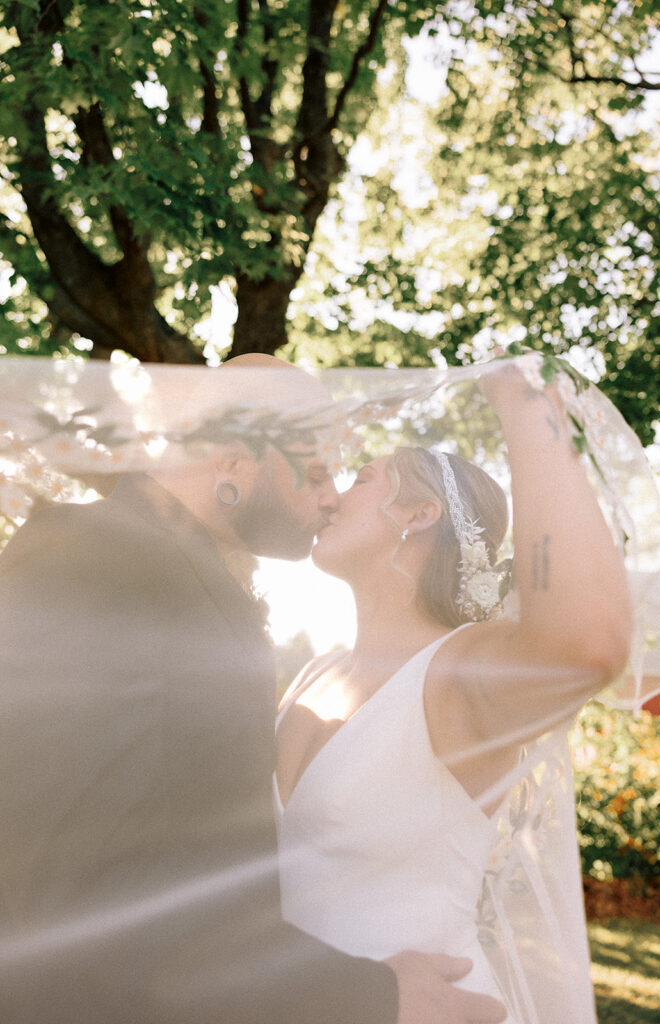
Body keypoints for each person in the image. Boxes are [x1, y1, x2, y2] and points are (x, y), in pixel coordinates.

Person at [0, 353, 507, 1024]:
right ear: (234, 460)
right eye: (322, 472)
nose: (331, 499)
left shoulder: (185, 585)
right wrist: (367, 997)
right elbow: (80, 886)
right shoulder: (96, 564)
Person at [274, 360, 635, 1024]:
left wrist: (523, 402)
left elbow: (587, 644)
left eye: (357, 480)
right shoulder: (313, 673)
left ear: (418, 514)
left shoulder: (459, 672)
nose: (327, 496)